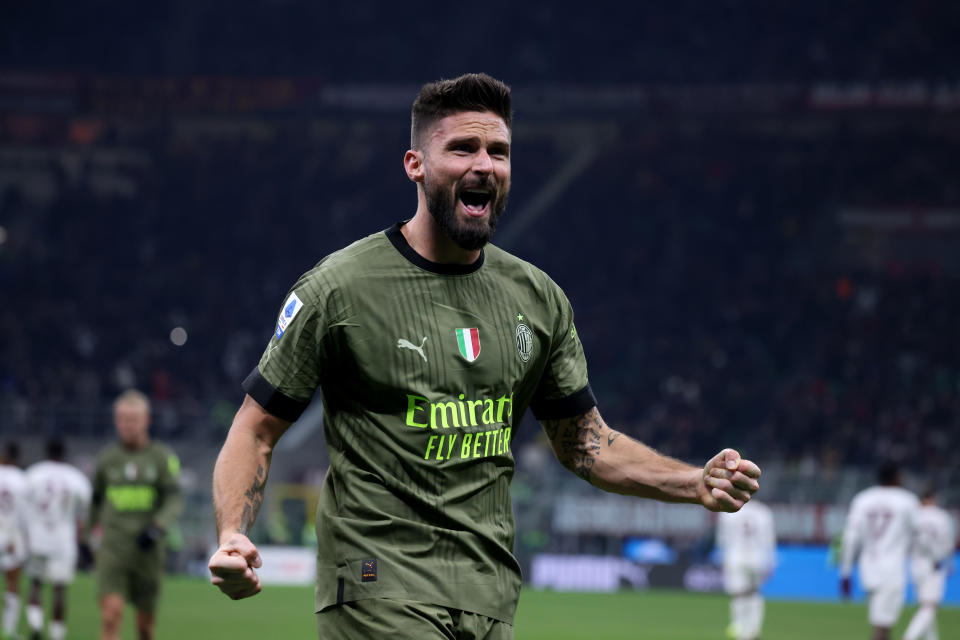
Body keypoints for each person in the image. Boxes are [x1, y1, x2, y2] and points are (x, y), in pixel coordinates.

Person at [208, 73, 762, 639]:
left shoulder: (538, 298)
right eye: (462, 148)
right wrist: (232, 534)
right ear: (415, 165)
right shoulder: (338, 290)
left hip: (489, 595)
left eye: (499, 151)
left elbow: (586, 443)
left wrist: (693, 483)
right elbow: (255, 428)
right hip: (379, 586)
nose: (485, 164)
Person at [89, 390, 182, 640]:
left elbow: (174, 498)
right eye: (122, 419)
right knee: (110, 616)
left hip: (148, 552)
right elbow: (95, 500)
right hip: (113, 548)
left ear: (146, 421)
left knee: (145, 628)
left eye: (133, 419)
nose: (127, 425)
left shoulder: (161, 457)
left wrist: (158, 526)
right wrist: (89, 535)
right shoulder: (107, 459)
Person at [840, 460, 919, 640]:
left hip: (868, 569)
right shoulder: (907, 500)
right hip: (891, 571)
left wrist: (845, 572)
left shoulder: (862, 499)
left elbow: (851, 537)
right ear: (897, 477)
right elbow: (919, 535)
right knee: (882, 627)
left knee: (883, 623)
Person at [23, 438, 92, 640]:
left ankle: (35, 625)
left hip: (38, 535)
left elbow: (24, 501)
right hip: (63, 537)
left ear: (46, 452)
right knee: (59, 588)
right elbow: (85, 508)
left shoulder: (34, 473)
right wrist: (82, 535)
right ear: (64, 454)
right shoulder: (75, 477)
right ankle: (56, 635)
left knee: (36, 582)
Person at [716, 499, 776, 640]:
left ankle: (739, 627)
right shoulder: (764, 511)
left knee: (738, 594)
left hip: (735, 557)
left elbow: (723, 539)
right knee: (755, 593)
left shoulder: (727, 511)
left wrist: (722, 559)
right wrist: (771, 562)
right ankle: (753, 629)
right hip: (758, 559)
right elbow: (769, 540)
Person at [902, 486, 956, 640]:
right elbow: (948, 543)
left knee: (924, 606)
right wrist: (948, 562)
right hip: (934, 564)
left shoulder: (914, 516)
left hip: (914, 563)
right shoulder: (942, 516)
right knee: (930, 606)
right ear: (934, 499)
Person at [0, 442, 28, 640]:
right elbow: (26, 514)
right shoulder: (23, 480)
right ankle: (8, 630)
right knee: (12, 582)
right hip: (11, 536)